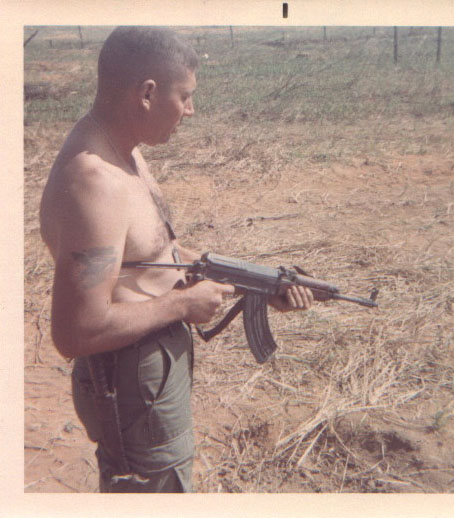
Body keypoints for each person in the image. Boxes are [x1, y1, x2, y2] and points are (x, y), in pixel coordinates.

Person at [39, 26, 313, 493]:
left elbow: (155, 256)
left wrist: (258, 283)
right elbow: (75, 331)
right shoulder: (94, 182)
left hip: (147, 372)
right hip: (129, 383)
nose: (190, 110)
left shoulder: (125, 153)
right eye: (184, 96)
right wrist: (182, 305)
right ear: (147, 93)